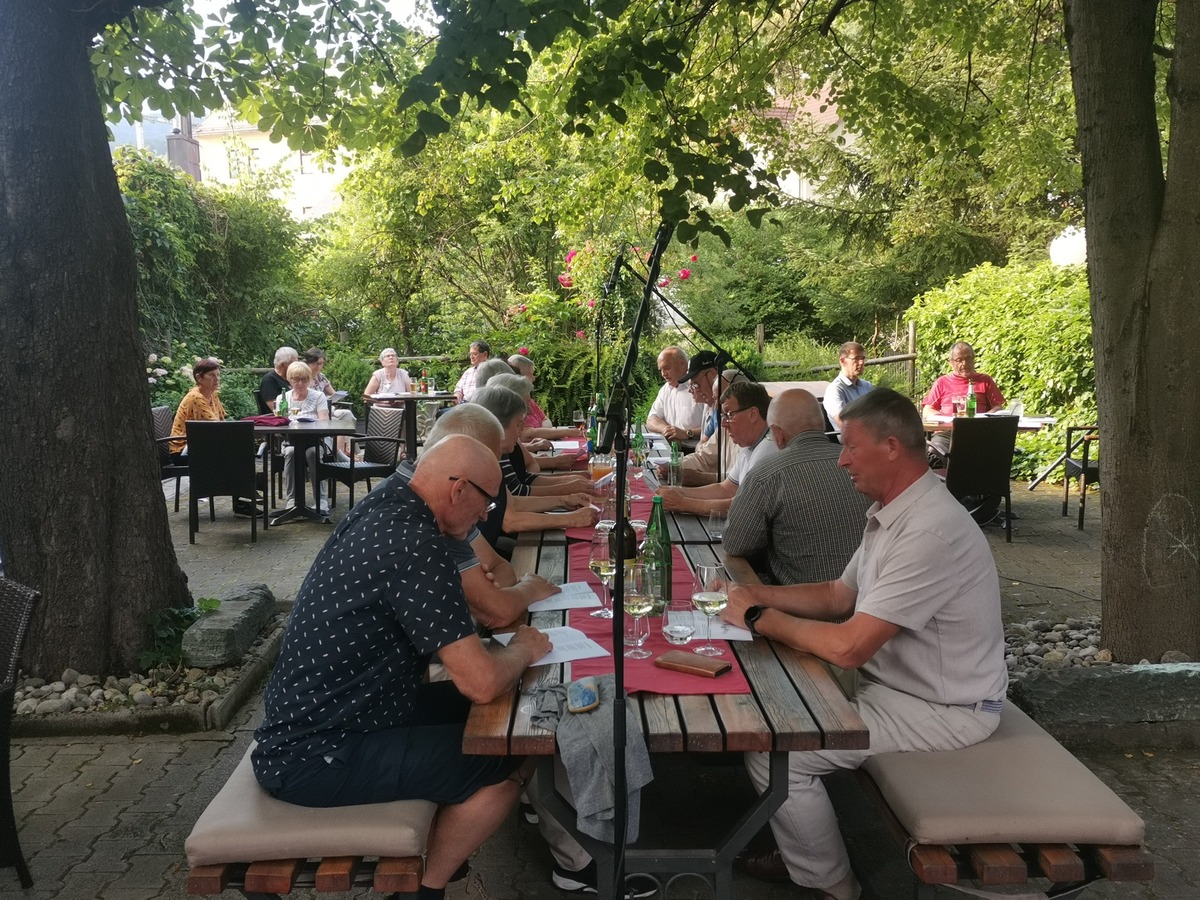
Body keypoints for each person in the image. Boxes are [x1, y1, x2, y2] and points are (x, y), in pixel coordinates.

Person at [722, 388, 1007, 900]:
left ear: (892, 447)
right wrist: (750, 593)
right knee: (767, 693)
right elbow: (837, 595)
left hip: (944, 709)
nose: (842, 459)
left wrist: (760, 617)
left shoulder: (929, 532)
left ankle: (832, 884)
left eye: (851, 446)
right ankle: (801, 845)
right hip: (899, 686)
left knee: (775, 749)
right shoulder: (896, 510)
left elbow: (850, 647)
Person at [252, 435, 551, 900]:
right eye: (486, 504)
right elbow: (480, 682)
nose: (485, 517)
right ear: (458, 490)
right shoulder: (415, 543)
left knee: (521, 713)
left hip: (345, 713)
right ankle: (422, 890)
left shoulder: (387, 504)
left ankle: (440, 847)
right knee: (515, 748)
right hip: (316, 753)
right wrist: (524, 649)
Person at [723, 390, 871, 585]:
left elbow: (735, 544)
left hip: (795, 598)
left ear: (777, 433)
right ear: (821, 424)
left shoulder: (766, 474)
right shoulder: (863, 467)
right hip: (868, 594)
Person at [469, 384, 598, 548]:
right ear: (497, 426)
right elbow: (510, 521)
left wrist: (564, 500)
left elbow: (513, 502)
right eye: (518, 424)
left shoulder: (491, 454)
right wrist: (571, 518)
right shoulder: (479, 461)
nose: (521, 431)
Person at [655, 381, 779, 515]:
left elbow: (744, 506)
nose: (724, 423)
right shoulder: (751, 444)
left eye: (730, 415)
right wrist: (678, 492)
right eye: (723, 416)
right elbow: (726, 489)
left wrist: (682, 503)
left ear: (753, 414)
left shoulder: (768, 448)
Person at [922, 341, 1006, 460]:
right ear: (951, 362)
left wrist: (985, 418)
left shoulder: (985, 380)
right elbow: (927, 410)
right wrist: (945, 419)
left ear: (974, 359)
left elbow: (998, 407)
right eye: (959, 360)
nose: (965, 363)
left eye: (968, 358)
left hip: (978, 433)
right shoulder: (942, 382)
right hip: (947, 434)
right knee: (934, 453)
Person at [675, 353, 744, 486]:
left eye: (695, 385)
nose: (717, 407)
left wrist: (703, 478)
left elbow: (742, 479)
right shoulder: (725, 423)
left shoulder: (761, 439)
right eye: (716, 399)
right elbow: (704, 457)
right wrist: (675, 466)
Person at [279, 361, 331, 517]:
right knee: (290, 452)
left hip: (315, 440)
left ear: (309, 380)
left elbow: (324, 421)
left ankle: (321, 499)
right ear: (290, 380)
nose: (300, 383)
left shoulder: (318, 396)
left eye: (304, 379)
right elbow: (279, 422)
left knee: (312, 453)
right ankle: (292, 499)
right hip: (291, 441)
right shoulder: (283, 397)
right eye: (296, 379)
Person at [508, 354, 582, 441]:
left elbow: (547, 422)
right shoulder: (514, 403)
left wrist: (540, 432)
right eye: (531, 374)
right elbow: (527, 435)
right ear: (519, 376)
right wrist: (568, 432)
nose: (534, 378)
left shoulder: (529, 401)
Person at [645, 346, 707, 444]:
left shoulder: (699, 387)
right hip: (671, 446)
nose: (663, 374)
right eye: (661, 370)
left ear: (682, 364)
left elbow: (715, 426)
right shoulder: (666, 389)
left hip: (696, 448)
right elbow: (651, 419)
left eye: (667, 368)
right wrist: (666, 429)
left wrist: (687, 433)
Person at [169, 357, 225, 457]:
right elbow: (216, 427)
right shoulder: (196, 397)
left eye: (218, 375)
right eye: (212, 375)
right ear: (199, 378)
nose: (217, 379)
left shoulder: (212, 393)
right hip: (183, 451)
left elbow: (222, 421)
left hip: (201, 446)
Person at [304, 347, 354, 457]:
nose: (320, 366)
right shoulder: (304, 378)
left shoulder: (321, 377)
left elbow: (332, 393)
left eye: (322, 363)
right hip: (315, 412)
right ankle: (339, 454)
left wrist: (335, 396)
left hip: (328, 408)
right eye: (317, 363)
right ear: (309, 363)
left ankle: (347, 449)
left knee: (347, 414)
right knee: (339, 422)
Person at [823, 341, 873, 438]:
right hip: (854, 442)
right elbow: (845, 425)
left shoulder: (867, 386)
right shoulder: (835, 390)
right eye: (856, 358)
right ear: (843, 361)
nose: (861, 362)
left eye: (863, 358)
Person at [260, 346, 297, 412]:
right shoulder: (269, 380)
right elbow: (276, 408)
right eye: (293, 363)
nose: (296, 366)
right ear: (283, 365)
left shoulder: (291, 378)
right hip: (280, 416)